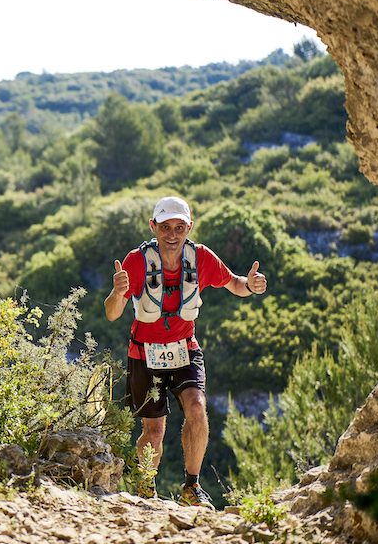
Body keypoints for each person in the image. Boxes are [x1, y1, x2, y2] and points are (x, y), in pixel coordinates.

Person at [104, 196, 267, 507]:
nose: (172, 234)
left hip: (185, 349)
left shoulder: (201, 258)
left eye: (179, 227)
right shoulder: (137, 262)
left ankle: (192, 487)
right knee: (154, 430)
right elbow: (112, 313)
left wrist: (252, 285)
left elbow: (234, 283)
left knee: (196, 406)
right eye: (165, 227)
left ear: (189, 227)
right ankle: (146, 488)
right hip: (145, 354)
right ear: (153, 226)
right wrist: (117, 290)